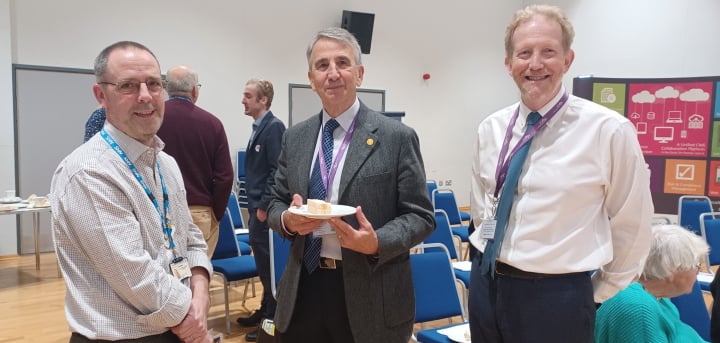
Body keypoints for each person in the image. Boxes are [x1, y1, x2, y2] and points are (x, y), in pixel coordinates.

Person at [468, 4, 654, 342]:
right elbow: (482, 207)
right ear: (509, 64)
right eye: (524, 53)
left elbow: (634, 227)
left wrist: (593, 294)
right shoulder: (490, 128)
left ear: (567, 60)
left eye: (548, 52)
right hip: (486, 282)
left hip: (556, 297)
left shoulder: (608, 131)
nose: (535, 64)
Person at [266, 27, 435, 343]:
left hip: (371, 291)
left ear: (359, 73)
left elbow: (421, 216)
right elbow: (276, 201)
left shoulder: (396, 137)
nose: (332, 73)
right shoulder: (296, 138)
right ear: (311, 77)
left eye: (342, 63)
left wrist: (376, 242)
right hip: (303, 287)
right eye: (322, 65)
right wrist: (288, 220)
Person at [50, 41, 213, 343]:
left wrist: (201, 289)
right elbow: (134, 276)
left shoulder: (166, 164)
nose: (145, 96)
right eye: (128, 86)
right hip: (123, 336)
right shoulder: (89, 172)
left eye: (153, 83)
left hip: (179, 323)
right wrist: (193, 318)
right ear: (101, 95)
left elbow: (190, 237)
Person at [157, 65, 234, 258]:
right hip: (200, 213)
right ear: (194, 91)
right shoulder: (212, 124)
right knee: (198, 277)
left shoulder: (153, 120)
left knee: (165, 278)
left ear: (166, 88)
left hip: (160, 210)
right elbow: (225, 177)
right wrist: (216, 214)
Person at [234, 78, 286, 342]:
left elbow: (277, 170)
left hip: (263, 212)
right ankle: (264, 311)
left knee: (269, 269)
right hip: (256, 210)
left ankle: (271, 322)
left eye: (248, 95)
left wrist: (265, 207)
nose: (243, 100)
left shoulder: (274, 127)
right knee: (263, 266)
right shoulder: (259, 127)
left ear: (263, 100)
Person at [595, 224, 709, 343]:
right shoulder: (638, 308)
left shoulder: (658, 299)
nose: (697, 272)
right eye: (697, 266)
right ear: (672, 269)